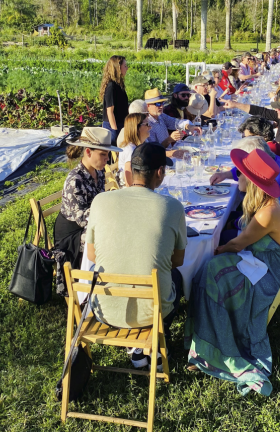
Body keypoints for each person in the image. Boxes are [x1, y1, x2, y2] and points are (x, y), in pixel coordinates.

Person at [185, 148, 280, 395]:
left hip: (268, 273)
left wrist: (215, 249)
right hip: (256, 261)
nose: (237, 177)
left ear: (251, 182)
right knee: (209, 271)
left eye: (241, 174)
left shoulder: (268, 212)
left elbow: (236, 245)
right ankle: (201, 344)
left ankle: (213, 349)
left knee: (212, 272)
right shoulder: (262, 203)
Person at [87, 143, 186, 369]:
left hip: (103, 308)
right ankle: (158, 342)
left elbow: (92, 255)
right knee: (176, 277)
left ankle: (142, 347)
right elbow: (177, 262)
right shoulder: (172, 206)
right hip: (151, 311)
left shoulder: (100, 200)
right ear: (160, 172)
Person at [53, 128, 122, 295]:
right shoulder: (75, 180)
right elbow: (83, 218)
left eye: (108, 155)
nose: (107, 159)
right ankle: (104, 284)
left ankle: (114, 280)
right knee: (112, 237)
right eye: (103, 155)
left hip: (89, 226)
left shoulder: (98, 172)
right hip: (72, 238)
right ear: (89, 152)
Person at [211, 135, 280, 240]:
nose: (239, 170)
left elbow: (263, 219)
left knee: (220, 236)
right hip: (279, 223)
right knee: (225, 217)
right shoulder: (273, 164)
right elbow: (248, 171)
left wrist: (234, 224)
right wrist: (225, 175)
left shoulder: (272, 182)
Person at [224, 93, 280, 168]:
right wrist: (235, 104)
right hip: (277, 159)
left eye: (279, 109)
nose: (276, 110)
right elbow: (261, 111)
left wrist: (270, 145)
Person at [144, 88, 198, 158]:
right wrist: (169, 139)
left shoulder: (161, 116)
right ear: (148, 105)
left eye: (162, 103)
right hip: (160, 160)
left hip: (171, 155)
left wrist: (190, 127)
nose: (161, 106)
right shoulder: (146, 124)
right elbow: (154, 151)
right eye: (158, 104)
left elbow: (178, 123)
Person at [99, 55, 128, 143]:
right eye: (125, 66)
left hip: (120, 123)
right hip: (112, 125)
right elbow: (110, 111)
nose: (127, 68)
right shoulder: (111, 86)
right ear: (118, 68)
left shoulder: (119, 85)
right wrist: (115, 131)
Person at [118, 113, 151, 187]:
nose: (150, 127)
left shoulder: (141, 144)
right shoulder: (130, 149)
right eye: (147, 124)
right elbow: (128, 182)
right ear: (137, 128)